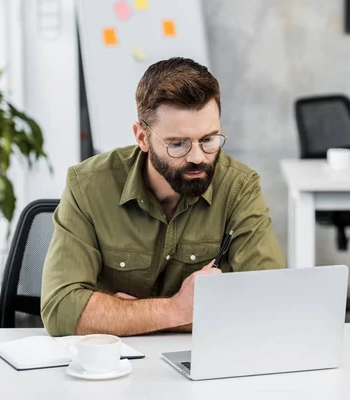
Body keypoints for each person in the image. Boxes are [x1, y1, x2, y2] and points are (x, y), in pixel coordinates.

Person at [40, 57, 285, 336]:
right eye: (177, 144)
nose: (197, 157)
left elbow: (269, 303)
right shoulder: (86, 185)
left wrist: (126, 316)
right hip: (110, 366)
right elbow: (60, 310)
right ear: (142, 137)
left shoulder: (239, 188)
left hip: (204, 366)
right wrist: (175, 309)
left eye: (209, 140)